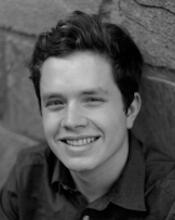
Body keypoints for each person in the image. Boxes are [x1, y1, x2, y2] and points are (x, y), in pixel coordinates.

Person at [1, 10, 175, 220]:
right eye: (56, 103)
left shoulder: (167, 201)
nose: (72, 121)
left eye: (92, 100)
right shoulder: (28, 174)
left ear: (130, 110)